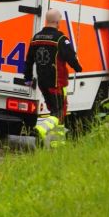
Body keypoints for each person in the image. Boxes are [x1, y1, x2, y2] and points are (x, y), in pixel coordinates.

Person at [22, 9, 83, 139]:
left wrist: (27, 78)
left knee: (56, 111)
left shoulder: (36, 37)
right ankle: (40, 129)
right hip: (56, 82)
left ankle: (57, 143)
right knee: (59, 112)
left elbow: (29, 60)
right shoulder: (60, 39)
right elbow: (71, 57)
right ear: (57, 21)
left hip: (43, 83)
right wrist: (78, 68)